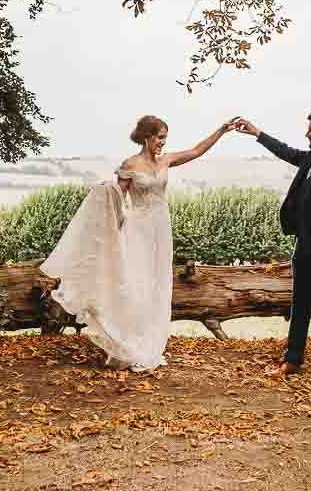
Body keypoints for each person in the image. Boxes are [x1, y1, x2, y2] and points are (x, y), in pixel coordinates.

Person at [40, 115, 238, 371]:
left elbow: (197, 151)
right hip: (138, 229)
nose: (163, 143)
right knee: (135, 282)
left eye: (165, 138)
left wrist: (221, 130)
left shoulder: (166, 160)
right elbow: (117, 198)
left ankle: (149, 343)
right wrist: (113, 221)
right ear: (147, 137)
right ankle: (125, 343)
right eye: (160, 137)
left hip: (160, 228)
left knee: (157, 283)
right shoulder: (130, 165)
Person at [233, 111, 311, 379]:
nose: (306, 134)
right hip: (304, 243)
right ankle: (292, 360)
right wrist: (257, 133)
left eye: (310, 129)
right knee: (299, 303)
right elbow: (286, 152)